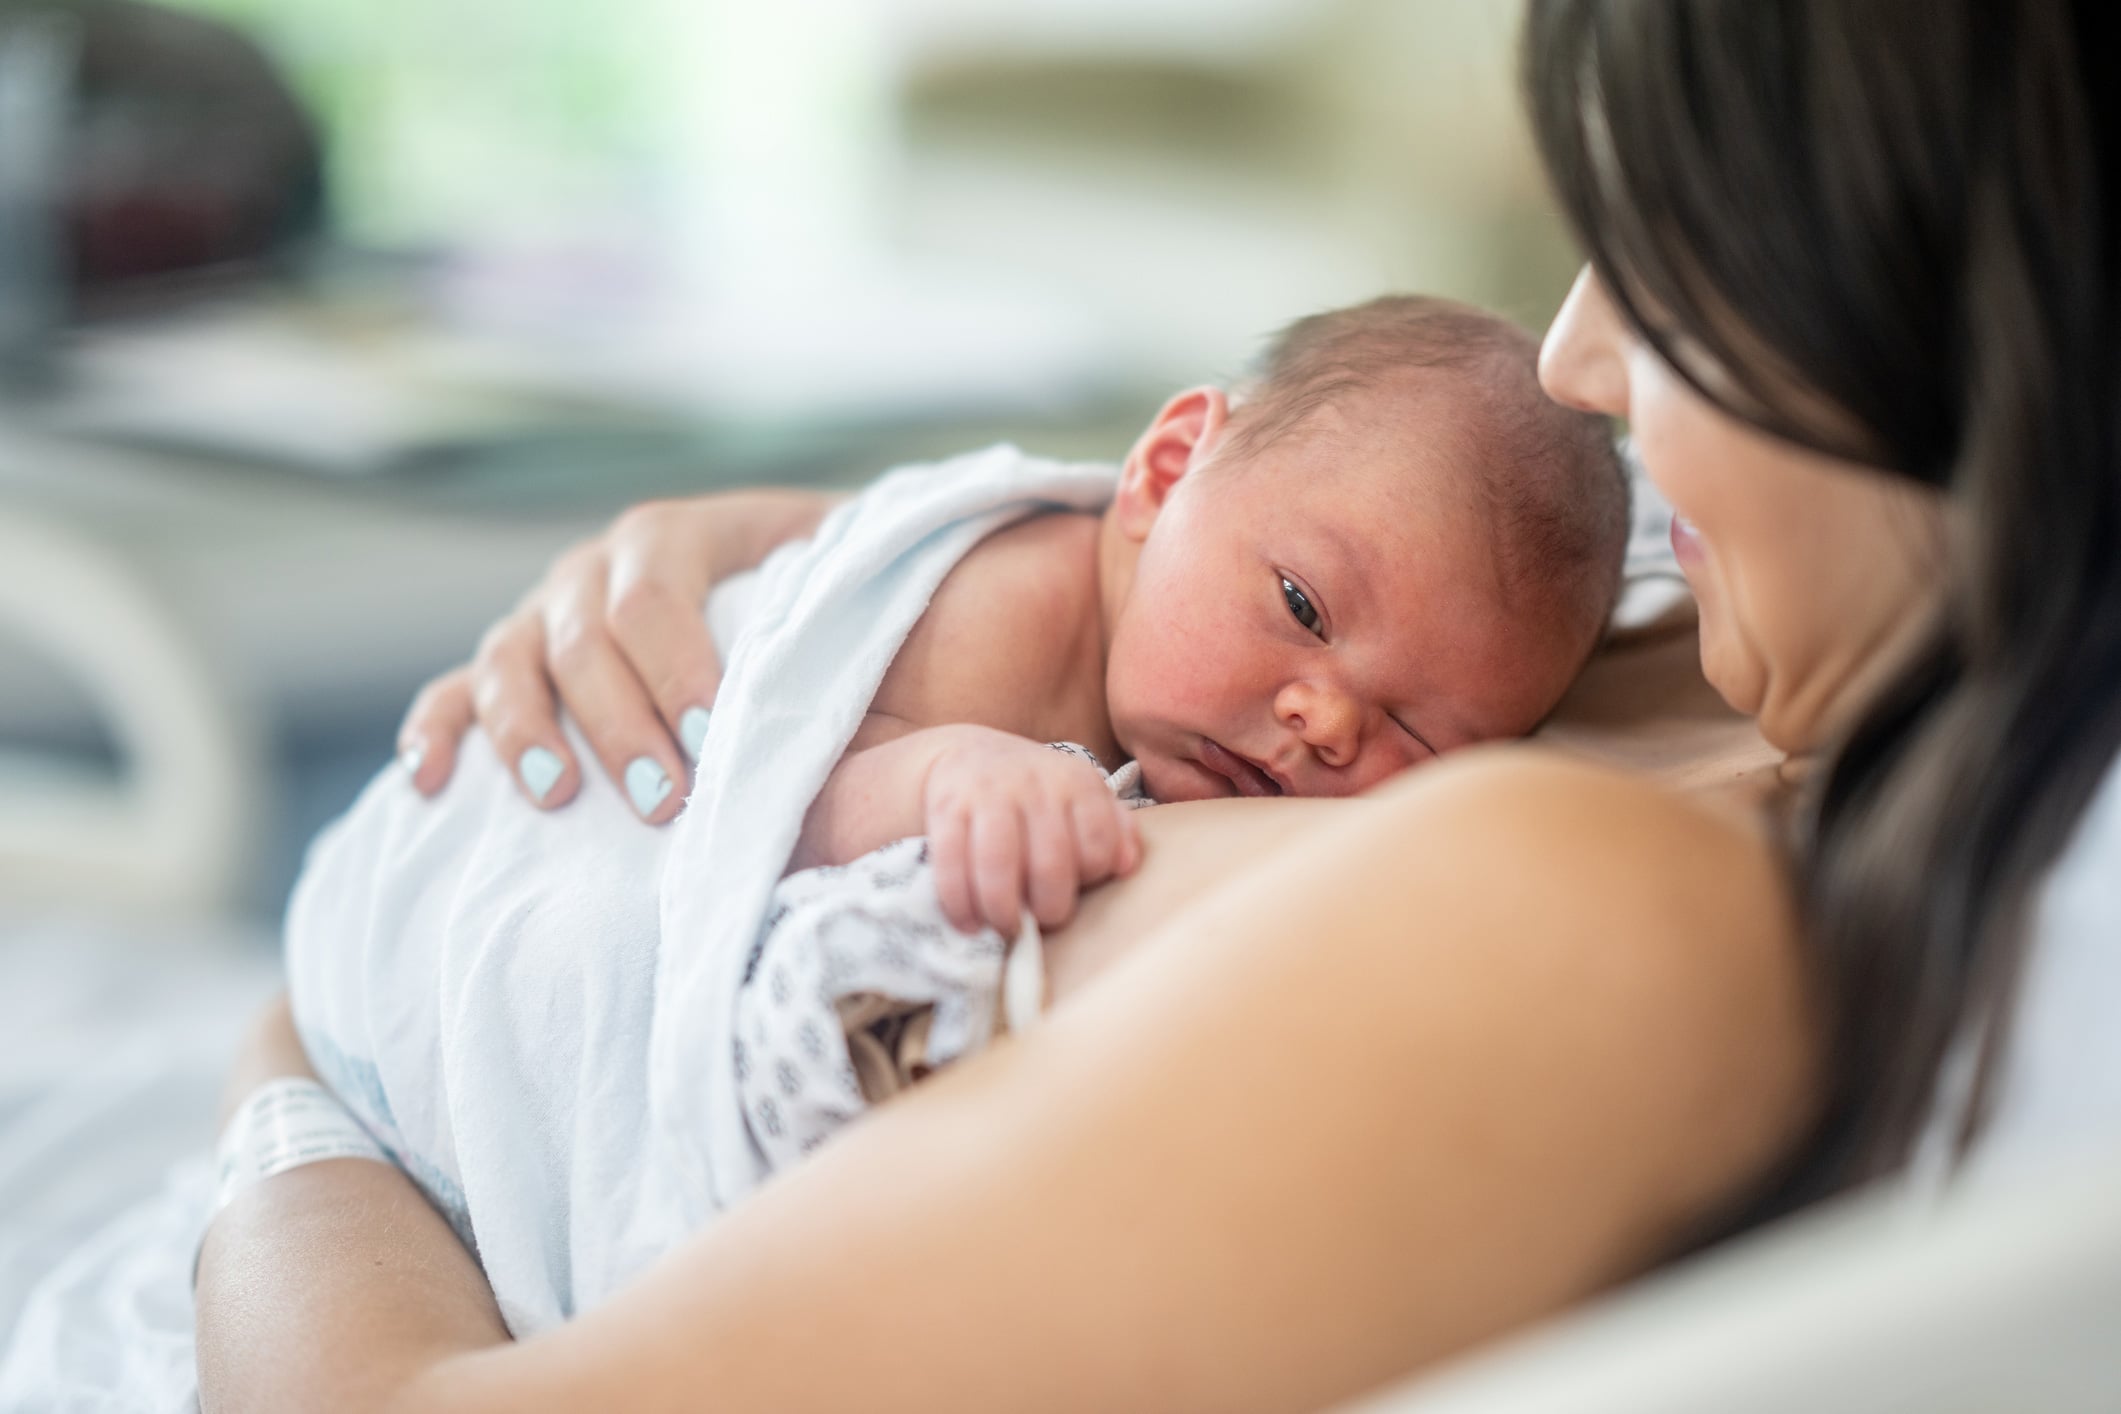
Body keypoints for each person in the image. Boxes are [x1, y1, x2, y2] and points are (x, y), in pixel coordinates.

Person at [193, 3, 2121, 1411]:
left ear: (1967, 314)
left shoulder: (1607, 924)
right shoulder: (1721, 630)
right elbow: (1137, 533)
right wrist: (769, 561)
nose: (1578, 355)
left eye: (1680, 258)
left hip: (362, 1165)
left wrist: (285, 1089)